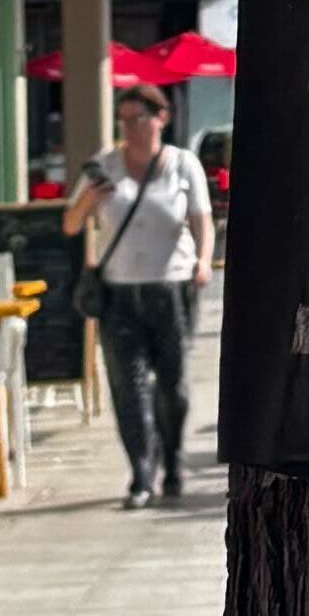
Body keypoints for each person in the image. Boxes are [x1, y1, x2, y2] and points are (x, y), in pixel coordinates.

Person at [69, 81, 214, 510]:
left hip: (171, 287)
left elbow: (201, 220)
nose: (130, 128)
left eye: (139, 119)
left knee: (175, 387)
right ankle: (141, 473)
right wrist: (88, 200)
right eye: (124, 120)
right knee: (127, 388)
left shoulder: (182, 165)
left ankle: (171, 459)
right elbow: (71, 224)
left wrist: (203, 262)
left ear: (160, 119)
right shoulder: (103, 166)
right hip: (118, 294)